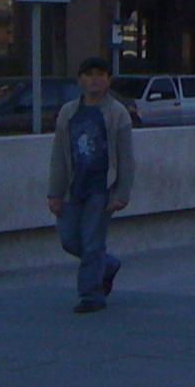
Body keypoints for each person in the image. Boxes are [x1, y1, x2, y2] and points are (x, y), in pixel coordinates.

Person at [47, 56, 135, 315]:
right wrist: (54, 193)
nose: (94, 79)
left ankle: (91, 295)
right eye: (88, 74)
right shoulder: (68, 112)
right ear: (80, 80)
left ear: (108, 80)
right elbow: (59, 155)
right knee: (69, 239)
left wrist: (122, 193)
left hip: (101, 188)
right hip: (73, 187)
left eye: (100, 74)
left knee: (92, 241)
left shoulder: (117, 113)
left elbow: (126, 158)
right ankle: (106, 265)